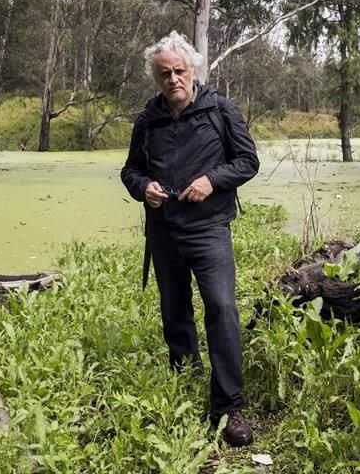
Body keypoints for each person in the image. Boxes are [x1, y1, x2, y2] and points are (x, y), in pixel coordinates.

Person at [120, 31, 260, 447]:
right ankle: (185, 383)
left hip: (208, 229)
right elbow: (129, 171)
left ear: (193, 70)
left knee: (221, 309)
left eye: (179, 71)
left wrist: (212, 181)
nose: (173, 79)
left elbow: (247, 161)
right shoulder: (148, 121)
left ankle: (228, 407)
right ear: (156, 77)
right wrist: (143, 187)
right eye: (165, 73)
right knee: (175, 312)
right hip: (163, 232)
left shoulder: (221, 111)